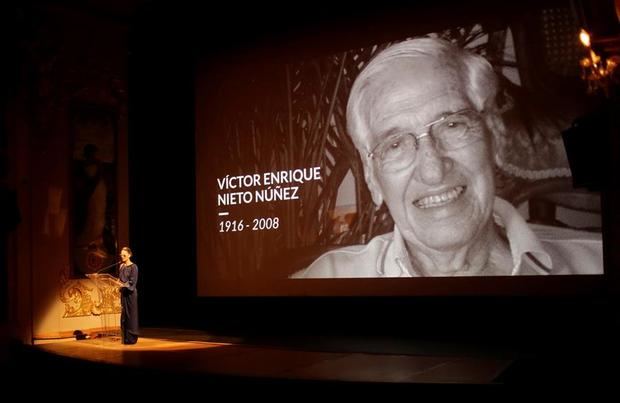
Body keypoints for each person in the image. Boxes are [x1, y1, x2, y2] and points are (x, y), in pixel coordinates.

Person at [292, 37, 603, 278]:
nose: (433, 170)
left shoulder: (596, 265)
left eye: (453, 125)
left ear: (492, 137)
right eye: (395, 144)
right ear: (372, 178)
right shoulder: (325, 282)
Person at [119, 246, 139, 344]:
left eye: (124, 255)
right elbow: (121, 280)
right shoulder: (121, 266)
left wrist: (123, 284)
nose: (122, 257)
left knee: (131, 315)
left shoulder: (134, 267)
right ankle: (125, 338)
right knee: (124, 316)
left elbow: (132, 282)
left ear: (129, 255)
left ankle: (131, 338)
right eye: (121, 255)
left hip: (131, 294)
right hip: (124, 293)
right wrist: (118, 283)